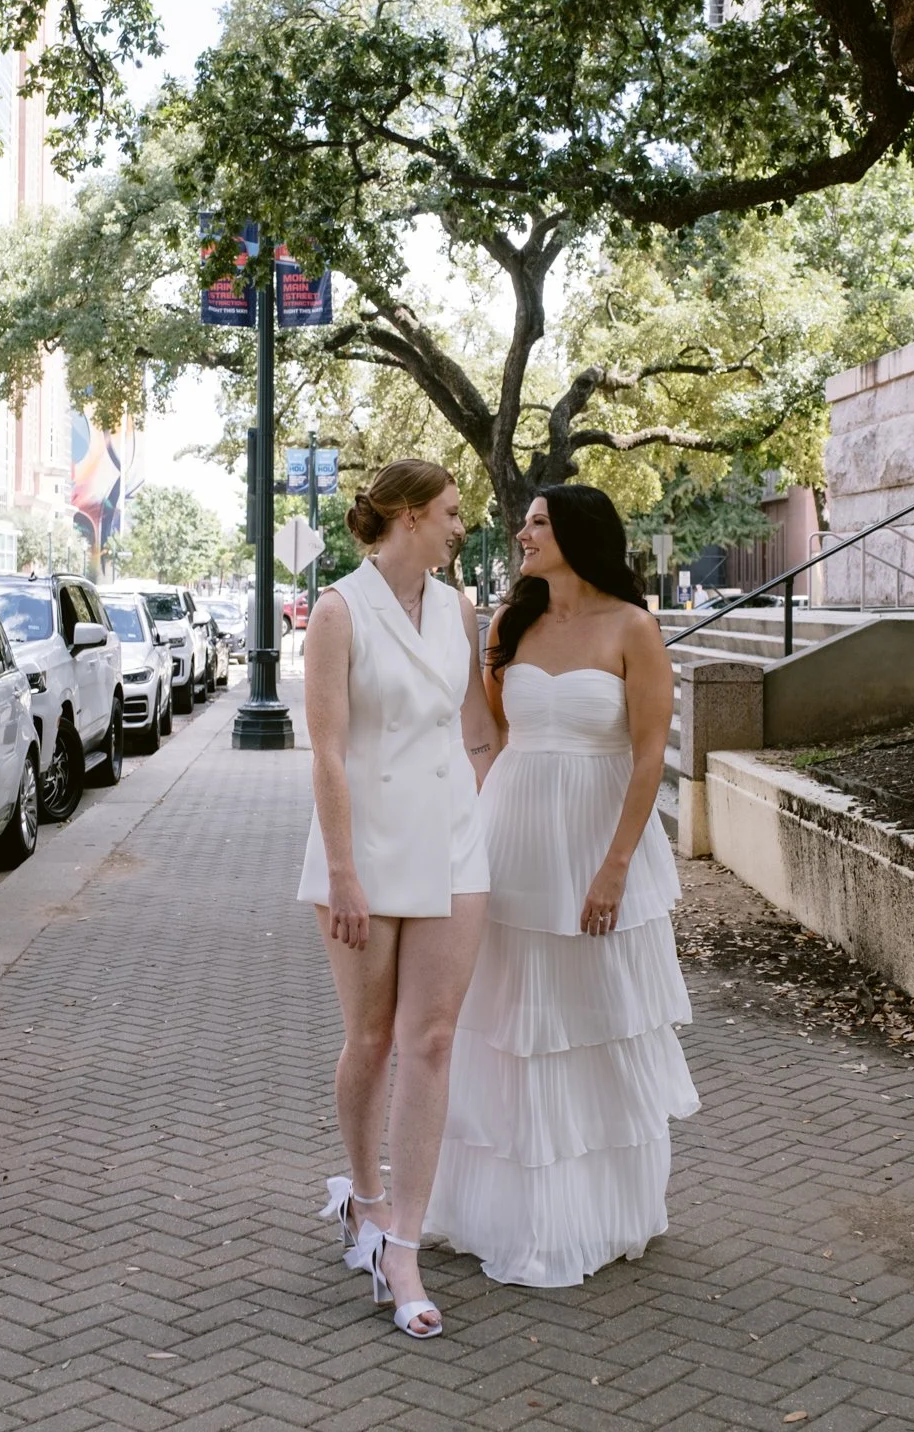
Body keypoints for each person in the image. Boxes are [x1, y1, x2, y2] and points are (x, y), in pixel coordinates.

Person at [426, 482, 698, 1286]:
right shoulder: (511, 623)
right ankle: (504, 1213)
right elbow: (495, 738)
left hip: (597, 840)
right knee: (506, 1023)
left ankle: (597, 1210)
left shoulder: (633, 628)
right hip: (510, 838)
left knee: (595, 1025)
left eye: (538, 522)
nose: (522, 532)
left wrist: (612, 865)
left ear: (578, 533)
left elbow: (649, 756)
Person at [298, 460, 500, 1339]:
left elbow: (479, 732)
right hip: (364, 851)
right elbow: (328, 754)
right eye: (452, 512)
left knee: (432, 1039)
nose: (462, 525)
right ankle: (365, 1197)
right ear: (410, 515)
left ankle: (404, 1244)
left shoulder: (460, 608)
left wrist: (496, 814)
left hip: (454, 842)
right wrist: (343, 872)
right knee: (371, 1040)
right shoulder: (339, 611)